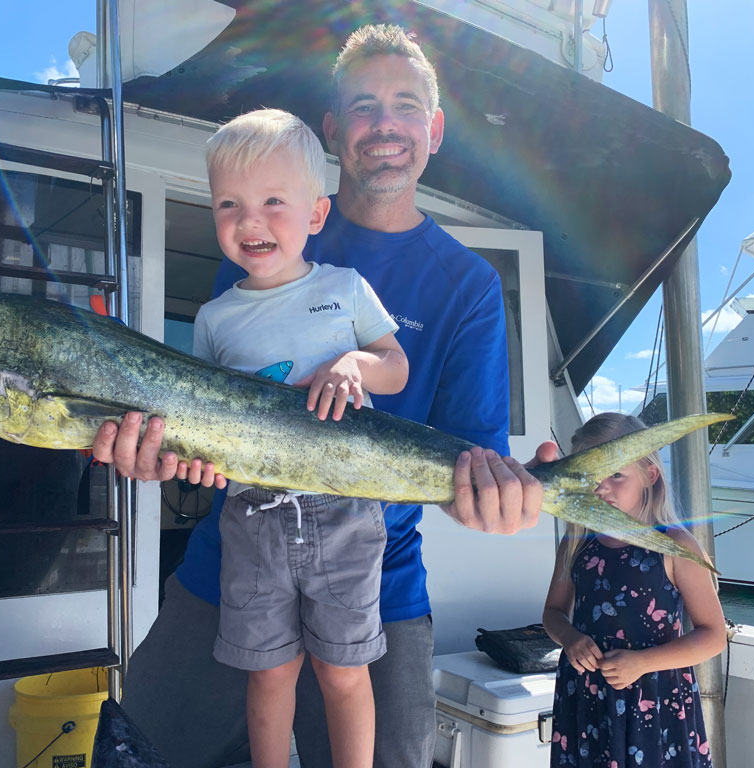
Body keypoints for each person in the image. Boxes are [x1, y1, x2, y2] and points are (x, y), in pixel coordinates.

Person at [94, 24, 555, 768]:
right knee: (134, 753)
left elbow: (473, 462)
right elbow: (208, 415)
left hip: (381, 582)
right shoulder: (258, 239)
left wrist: (508, 498)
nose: (385, 124)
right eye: (364, 105)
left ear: (432, 131)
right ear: (335, 131)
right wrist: (161, 451)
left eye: (405, 105)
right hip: (231, 565)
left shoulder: (468, 286)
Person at [197, 107, 409, 768]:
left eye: (272, 202)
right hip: (249, 511)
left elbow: (395, 368)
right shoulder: (213, 317)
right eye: (229, 203)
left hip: (345, 506)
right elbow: (201, 415)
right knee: (268, 671)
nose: (249, 221)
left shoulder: (345, 290)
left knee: (343, 670)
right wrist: (197, 460)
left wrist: (354, 364)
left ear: (316, 215)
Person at [542, 412, 726, 768]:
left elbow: (714, 635)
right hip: (587, 697)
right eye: (589, 475)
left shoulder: (674, 545)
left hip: (655, 703)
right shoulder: (577, 539)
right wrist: (570, 639)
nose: (600, 486)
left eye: (615, 474)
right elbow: (552, 613)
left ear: (649, 475)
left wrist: (642, 663)